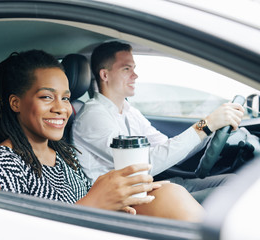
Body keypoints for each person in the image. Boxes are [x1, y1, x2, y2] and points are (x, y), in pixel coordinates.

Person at [0, 49, 203, 221]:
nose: (61, 108)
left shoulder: (62, 155)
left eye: (65, 98)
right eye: (46, 97)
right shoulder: (2, 165)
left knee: (168, 192)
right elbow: (5, 230)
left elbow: (87, 203)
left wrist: (120, 199)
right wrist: (92, 203)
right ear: (16, 103)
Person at [71, 41, 245, 203]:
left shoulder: (129, 111)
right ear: (105, 75)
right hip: (124, 201)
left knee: (234, 182)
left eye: (134, 68)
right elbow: (142, 165)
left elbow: (166, 147)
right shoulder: (93, 117)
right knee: (236, 194)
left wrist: (211, 130)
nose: (135, 75)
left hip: (144, 188)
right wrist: (205, 125)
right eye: (126, 69)